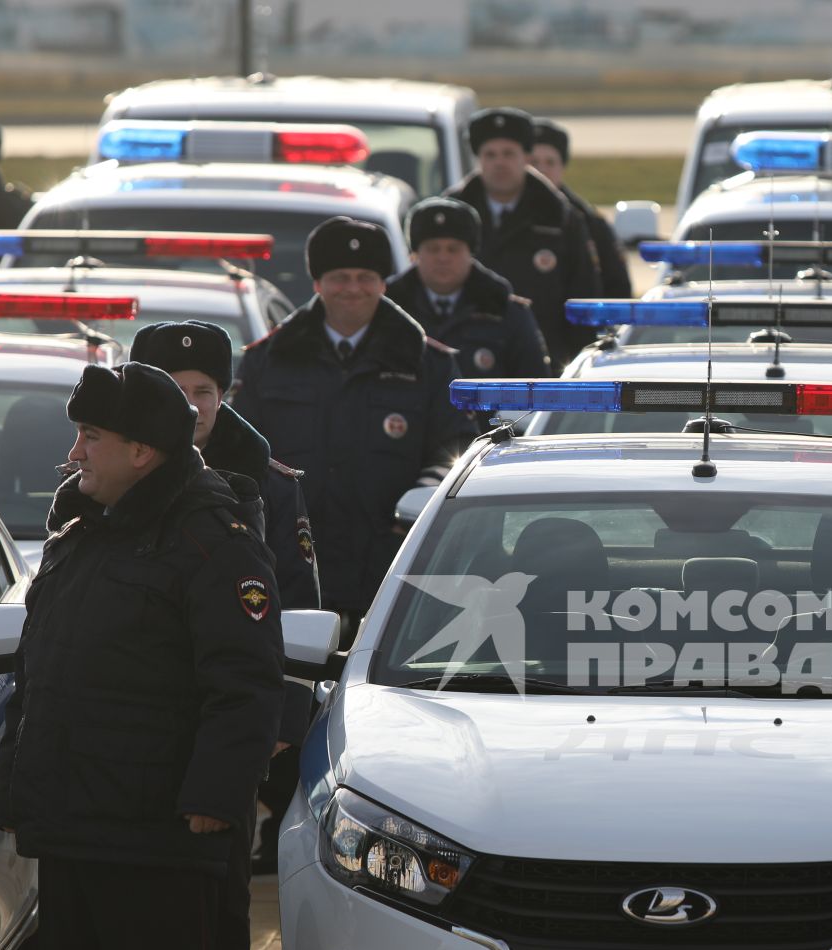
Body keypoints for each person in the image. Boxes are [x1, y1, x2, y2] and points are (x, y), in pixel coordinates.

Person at [0, 361, 284, 950]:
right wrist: (21, 797)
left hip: (162, 827)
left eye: (92, 438)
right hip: (76, 820)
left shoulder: (210, 535)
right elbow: (45, 675)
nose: (75, 451)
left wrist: (213, 800)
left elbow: (243, 681)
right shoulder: (86, 526)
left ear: (144, 453)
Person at [131, 319, 320, 950]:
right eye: (172, 392)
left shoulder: (270, 482)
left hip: (229, 725)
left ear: (225, 393)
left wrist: (277, 729)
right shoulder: (105, 476)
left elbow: (302, 614)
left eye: (203, 392)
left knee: (220, 896)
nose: (191, 405)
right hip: (134, 722)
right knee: (131, 895)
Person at [230, 216, 471, 624]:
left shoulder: (430, 365)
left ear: (384, 283)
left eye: (366, 276)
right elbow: (239, 456)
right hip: (287, 566)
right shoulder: (267, 361)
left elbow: (458, 451)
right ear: (317, 284)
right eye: (339, 277)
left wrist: (412, 515)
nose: (353, 289)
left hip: (393, 570)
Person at [444, 107, 601, 362]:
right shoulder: (451, 212)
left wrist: (575, 360)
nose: (499, 162)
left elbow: (583, 291)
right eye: (490, 154)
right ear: (478, 159)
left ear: (526, 157)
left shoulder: (560, 216)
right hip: (464, 360)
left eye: (508, 153)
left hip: (544, 359)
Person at [386, 196, 551, 377]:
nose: (443, 258)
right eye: (433, 249)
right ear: (414, 256)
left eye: (453, 249)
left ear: (471, 255)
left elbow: (536, 389)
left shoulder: (505, 312)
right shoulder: (389, 311)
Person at [529, 117, 633, 299]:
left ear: (562, 167)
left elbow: (618, 287)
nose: (541, 170)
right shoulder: (501, 214)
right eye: (534, 163)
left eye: (550, 162)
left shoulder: (589, 222)